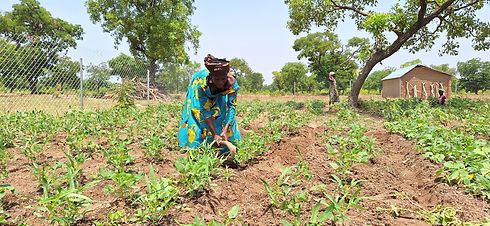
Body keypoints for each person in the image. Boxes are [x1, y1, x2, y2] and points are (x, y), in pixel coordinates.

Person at [177, 54, 241, 158]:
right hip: (202, 93)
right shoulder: (202, 85)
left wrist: (225, 129)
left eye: (223, 79)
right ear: (211, 78)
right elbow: (205, 111)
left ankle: (224, 150)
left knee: (222, 113)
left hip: (220, 94)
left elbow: (232, 106)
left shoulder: (232, 84)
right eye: (217, 79)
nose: (220, 82)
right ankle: (199, 148)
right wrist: (215, 133)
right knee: (198, 116)